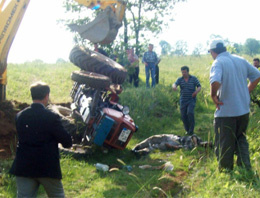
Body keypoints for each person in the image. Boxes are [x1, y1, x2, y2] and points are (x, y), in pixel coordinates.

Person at [9, 82, 72, 197]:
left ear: (32, 95)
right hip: (47, 167)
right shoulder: (52, 117)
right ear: (46, 96)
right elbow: (67, 142)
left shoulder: (20, 116)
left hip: (24, 166)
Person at [209, 39, 260, 171]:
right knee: (240, 139)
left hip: (226, 112)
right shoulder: (240, 60)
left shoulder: (218, 62)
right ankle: (245, 167)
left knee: (225, 143)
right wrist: (246, 91)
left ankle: (226, 172)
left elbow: (215, 81)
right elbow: (257, 75)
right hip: (243, 110)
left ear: (213, 52)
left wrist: (213, 95)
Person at [172, 66, 201, 135]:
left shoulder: (193, 78)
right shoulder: (180, 79)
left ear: (188, 72)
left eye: (185, 72)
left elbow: (199, 86)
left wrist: (196, 92)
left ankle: (191, 130)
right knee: (183, 115)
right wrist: (174, 87)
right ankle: (187, 130)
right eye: (182, 72)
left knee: (190, 113)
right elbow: (174, 84)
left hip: (191, 99)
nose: (183, 73)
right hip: (183, 100)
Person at [132, 134, 210, 156]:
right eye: (207, 143)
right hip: (175, 137)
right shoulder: (198, 140)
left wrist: (171, 146)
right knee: (154, 138)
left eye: (206, 144)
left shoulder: (191, 148)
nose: (205, 143)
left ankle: (141, 152)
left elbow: (180, 148)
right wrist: (196, 144)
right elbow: (193, 136)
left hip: (175, 143)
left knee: (159, 146)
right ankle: (138, 146)